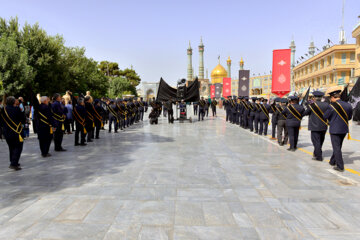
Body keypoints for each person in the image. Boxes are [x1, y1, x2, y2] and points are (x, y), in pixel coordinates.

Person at [324, 86, 353, 172]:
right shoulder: (348, 105)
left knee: (336, 147)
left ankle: (340, 166)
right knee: (338, 146)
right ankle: (332, 161)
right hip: (344, 129)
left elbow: (325, 116)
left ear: (333, 97)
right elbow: (349, 117)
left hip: (335, 130)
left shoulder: (331, 106)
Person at [0, 96, 26, 170]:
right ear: (14, 102)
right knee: (18, 147)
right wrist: (21, 111)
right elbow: (23, 119)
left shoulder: (2, 110)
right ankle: (13, 163)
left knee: (11, 148)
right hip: (16, 132)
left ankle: (13, 161)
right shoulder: (17, 109)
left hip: (6, 132)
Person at [303, 91, 329, 161]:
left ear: (314, 97)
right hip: (324, 126)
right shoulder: (326, 105)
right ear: (321, 98)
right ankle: (316, 153)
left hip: (314, 126)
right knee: (320, 141)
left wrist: (306, 106)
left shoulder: (312, 106)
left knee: (316, 142)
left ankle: (319, 156)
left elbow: (305, 113)